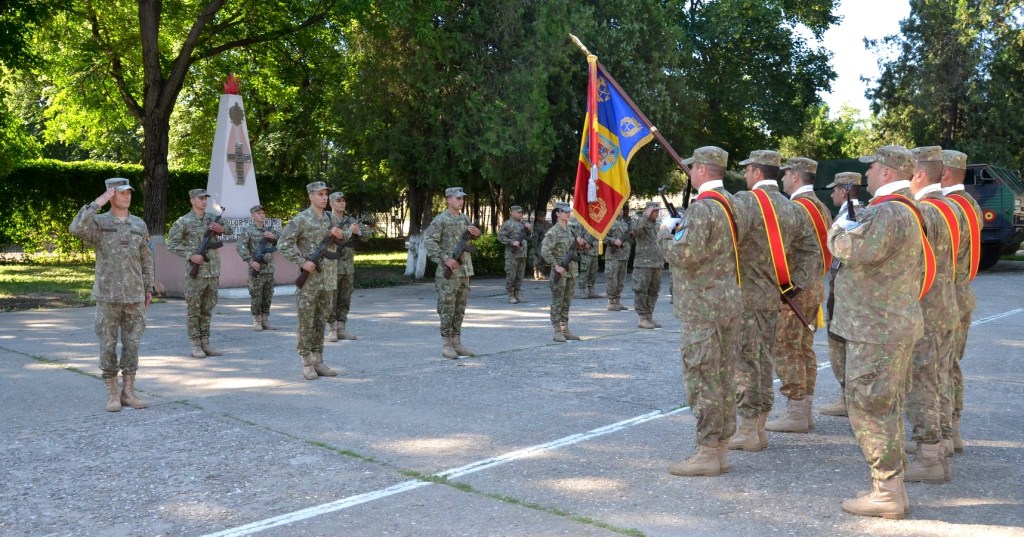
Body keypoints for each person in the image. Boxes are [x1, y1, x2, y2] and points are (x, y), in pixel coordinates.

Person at [829, 145, 924, 519]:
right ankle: (891, 489)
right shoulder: (908, 209)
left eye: (871, 169)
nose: (866, 175)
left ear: (886, 172)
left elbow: (849, 248)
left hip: (876, 328)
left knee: (871, 407)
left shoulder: (888, 211)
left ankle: (886, 492)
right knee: (884, 405)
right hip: (888, 325)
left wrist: (838, 228)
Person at [658, 146, 742, 476]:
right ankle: (719, 447)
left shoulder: (704, 208)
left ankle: (708, 450)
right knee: (722, 376)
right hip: (727, 302)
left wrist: (665, 233)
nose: (690, 172)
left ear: (703, 170)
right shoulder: (733, 204)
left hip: (703, 306)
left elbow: (685, 254)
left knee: (703, 377)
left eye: (693, 167)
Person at [728, 150, 801, 452]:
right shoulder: (790, 207)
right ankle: (758, 427)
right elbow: (809, 247)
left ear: (757, 172)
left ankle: (748, 428)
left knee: (745, 363)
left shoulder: (745, 202)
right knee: (763, 361)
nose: (745, 176)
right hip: (774, 296)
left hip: (745, 296)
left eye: (747, 170)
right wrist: (794, 286)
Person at [69, 178, 154, 412]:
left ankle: (128, 392)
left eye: (129, 193)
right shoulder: (98, 223)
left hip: (135, 295)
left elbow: (146, 257)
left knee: (132, 345)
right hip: (108, 295)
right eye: (121, 193)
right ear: (111, 194)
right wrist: (98, 202)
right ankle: (112, 393)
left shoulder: (139, 224)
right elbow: (76, 228)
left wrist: (149, 288)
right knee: (107, 345)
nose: (127, 196)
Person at [904, 145, 960, 483]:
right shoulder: (951, 208)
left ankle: (929, 459)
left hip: (925, 308)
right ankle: (941, 446)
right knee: (939, 378)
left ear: (920, 174)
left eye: (910, 172)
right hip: (946, 305)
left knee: (923, 384)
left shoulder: (922, 210)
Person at [766, 157, 832, 433]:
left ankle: (796, 412)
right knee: (803, 348)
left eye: (785, 175)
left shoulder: (797, 208)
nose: (781, 180)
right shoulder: (820, 206)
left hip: (797, 288)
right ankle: (803, 409)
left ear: (795, 176)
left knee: (787, 347)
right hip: (814, 284)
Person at [278, 181, 346, 380]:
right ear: (310, 196)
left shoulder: (331, 217)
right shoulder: (301, 220)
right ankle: (306, 362)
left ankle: (319, 360)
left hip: (328, 279)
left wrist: (341, 234)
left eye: (325, 194)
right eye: (319, 194)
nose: (324, 197)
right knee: (306, 322)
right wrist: (301, 262)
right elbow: (283, 243)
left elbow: (346, 235)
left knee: (321, 321)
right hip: (309, 282)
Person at [940, 149, 981, 455]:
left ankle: (941, 436)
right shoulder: (970, 205)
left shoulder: (946, 208)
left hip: (944, 295)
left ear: (944, 173)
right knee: (950, 364)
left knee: (937, 367)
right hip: (962, 292)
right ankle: (952, 431)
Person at [166, 188, 233, 359]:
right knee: (194, 310)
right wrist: (191, 255)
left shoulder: (212, 218)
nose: (204, 201)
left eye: (205, 198)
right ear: (192, 200)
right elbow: (171, 244)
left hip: (213, 272)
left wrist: (221, 229)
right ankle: (195, 345)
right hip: (196, 274)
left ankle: (205, 343)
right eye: (200, 198)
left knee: (208, 309)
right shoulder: (183, 222)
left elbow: (230, 230)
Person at [818, 172, 864, 418]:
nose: (832, 193)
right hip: (842, 288)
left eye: (834, 189)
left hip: (846, 291)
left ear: (844, 191)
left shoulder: (855, 216)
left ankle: (850, 398)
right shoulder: (846, 214)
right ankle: (846, 396)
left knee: (841, 345)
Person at [424, 186, 481, 359]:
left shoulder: (464, 218)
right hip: (447, 271)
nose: (461, 201)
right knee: (447, 308)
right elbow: (428, 241)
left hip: (464, 271)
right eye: (458, 198)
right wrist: (445, 258)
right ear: (449, 200)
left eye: (462, 198)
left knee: (460, 309)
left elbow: (471, 238)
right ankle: (446, 344)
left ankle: (457, 342)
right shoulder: (441, 220)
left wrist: (477, 234)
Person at [326, 191, 368, 341]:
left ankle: (341, 328)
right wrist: (348, 232)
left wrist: (359, 231)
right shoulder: (326, 219)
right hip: (332, 265)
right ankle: (332, 329)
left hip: (348, 266)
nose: (342, 203)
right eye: (338, 201)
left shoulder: (351, 220)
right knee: (332, 298)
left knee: (345, 298)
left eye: (343, 200)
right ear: (331, 203)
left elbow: (366, 236)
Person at [541, 202, 586, 342]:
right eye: (565, 211)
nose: (568, 213)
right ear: (557, 213)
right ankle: (556, 331)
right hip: (560, 272)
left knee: (567, 301)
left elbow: (576, 250)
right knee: (558, 302)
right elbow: (544, 251)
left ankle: (565, 329)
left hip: (572, 271)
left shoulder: (571, 230)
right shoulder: (553, 232)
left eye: (569, 211)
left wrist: (580, 243)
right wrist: (555, 265)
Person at [236, 204, 279, 331]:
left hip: (269, 269)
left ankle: (265, 320)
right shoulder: (248, 230)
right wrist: (250, 261)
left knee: (268, 295)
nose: (262, 215)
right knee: (256, 296)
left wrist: (274, 237)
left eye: (263, 213)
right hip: (256, 268)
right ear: (253, 216)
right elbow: (240, 247)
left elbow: (282, 242)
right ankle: (256, 321)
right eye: (259, 213)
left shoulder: (269, 231)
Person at [631, 201, 664, 328]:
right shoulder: (640, 223)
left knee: (654, 291)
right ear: (648, 211)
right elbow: (635, 231)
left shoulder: (657, 225)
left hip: (657, 263)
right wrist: (645, 215)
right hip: (643, 263)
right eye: (654, 211)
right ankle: (642, 318)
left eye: (657, 211)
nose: (656, 213)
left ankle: (649, 316)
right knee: (641, 290)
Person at [497, 205, 532, 304]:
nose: (521, 214)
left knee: (520, 276)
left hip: (522, 254)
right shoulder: (507, 224)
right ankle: (510, 294)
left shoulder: (522, 224)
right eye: (518, 212)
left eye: (521, 212)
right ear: (512, 212)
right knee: (511, 275)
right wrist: (511, 242)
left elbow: (528, 238)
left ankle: (517, 293)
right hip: (512, 255)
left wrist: (529, 230)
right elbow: (500, 237)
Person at [602, 206, 632, 311]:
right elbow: (602, 236)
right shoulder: (608, 222)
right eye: (618, 209)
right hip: (613, 257)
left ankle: (617, 301)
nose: (621, 211)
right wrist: (613, 241)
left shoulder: (625, 223)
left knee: (621, 280)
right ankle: (611, 302)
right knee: (612, 279)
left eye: (622, 209)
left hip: (623, 256)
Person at [569, 218, 601, 299]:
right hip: (585, 252)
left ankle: (591, 290)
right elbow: (577, 237)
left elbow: (599, 236)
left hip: (594, 251)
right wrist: (584, 245)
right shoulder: (582, 222)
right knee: (584, 271)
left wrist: (592, 244)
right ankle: (582, 290)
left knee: (593, 271)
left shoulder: (596, 222)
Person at [531, 214, 551, 280]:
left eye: (543, 216)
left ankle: (541, 273)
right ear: (538, 217)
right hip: (539, 243)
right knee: (538, 259)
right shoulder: (536, 225)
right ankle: (536, 273)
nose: (542, 217)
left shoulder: (547, 223)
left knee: (544, 259)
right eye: (541, 216)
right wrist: (535, 246)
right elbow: (535, 237)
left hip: (546, 243)